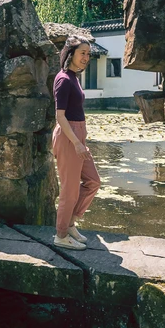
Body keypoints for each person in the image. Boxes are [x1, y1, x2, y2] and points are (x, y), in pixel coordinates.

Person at [51, 35, 101, 250]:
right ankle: (61, 235)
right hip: (67, 136)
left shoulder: (74, 77)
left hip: (77, 135)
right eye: (83, 53)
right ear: (70, 54)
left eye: (88, 54)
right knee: (69, 190)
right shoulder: (63, 79)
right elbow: (60, 116)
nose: (86, 57)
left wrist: (82, 138)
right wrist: (77, 143)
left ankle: (70, 222)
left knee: (93, 181)